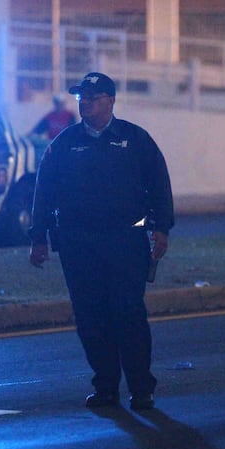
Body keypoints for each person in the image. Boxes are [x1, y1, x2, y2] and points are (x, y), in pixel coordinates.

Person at [28, 72, 174, 411]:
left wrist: (161, 228)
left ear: (110, 100)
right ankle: (106, 386)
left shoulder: (135, 139)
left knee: (128, 313)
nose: (84, 103)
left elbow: (159, 185)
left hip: (125, 240)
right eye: (81, 97)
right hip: (78, 244)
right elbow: (44, 191)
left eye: (92, 97)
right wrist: (38, 237)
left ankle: (141, 388)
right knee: (91, 316)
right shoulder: (64, 143)